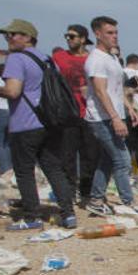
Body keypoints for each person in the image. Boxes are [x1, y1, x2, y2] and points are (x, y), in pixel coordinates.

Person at [0, 18, 77, 230]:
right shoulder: (47, 59)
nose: (9, 38)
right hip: (49, 121)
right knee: (53, 168)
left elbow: (13, 91)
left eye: (14, 34)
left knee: (24, 171)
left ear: (28, 37)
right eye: (7, 35)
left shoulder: (16, 59)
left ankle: (32, 217)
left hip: (25, 122)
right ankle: (68, 214)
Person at [83, 16, 138, 217]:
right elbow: (101, 92)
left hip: (113, 115)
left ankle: (95, 199)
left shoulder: (111, 58)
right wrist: (115, 118)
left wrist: (128, 109)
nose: (114, 36)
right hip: (102, 118)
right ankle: (127, 201)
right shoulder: (96, 60)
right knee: (122, 160)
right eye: (110, 33)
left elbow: (117, 90)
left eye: (116, 32)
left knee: (108, 160)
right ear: (98, 34)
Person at [52, 24, 98, 204]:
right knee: (67, 156)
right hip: (67, 112)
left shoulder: (93, 58)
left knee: (90, 155)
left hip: (89, 113)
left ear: (83, 39)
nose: (68, 40)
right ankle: (69, 192)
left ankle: (86, 191)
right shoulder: (59, 57)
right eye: (67, 36)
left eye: (72, 36)